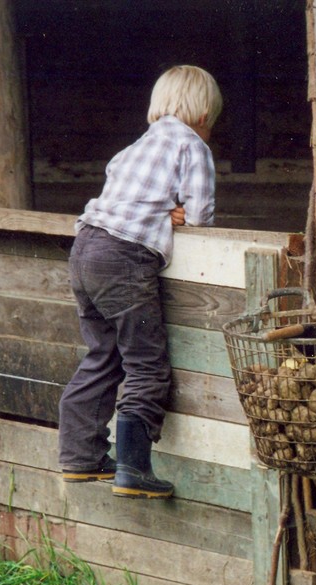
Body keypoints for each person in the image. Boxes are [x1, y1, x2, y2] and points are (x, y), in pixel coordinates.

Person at [57, 65, 222, 499]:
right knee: (146, 363)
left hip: (85, 248)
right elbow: (202, 218)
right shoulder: (192, 147)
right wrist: (178, 215)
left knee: (102, 354)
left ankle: (80, 457)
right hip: (123, 259)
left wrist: (163, 209)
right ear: (204, 115)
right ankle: (133, 467)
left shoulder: (133, 148)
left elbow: (125, 199)